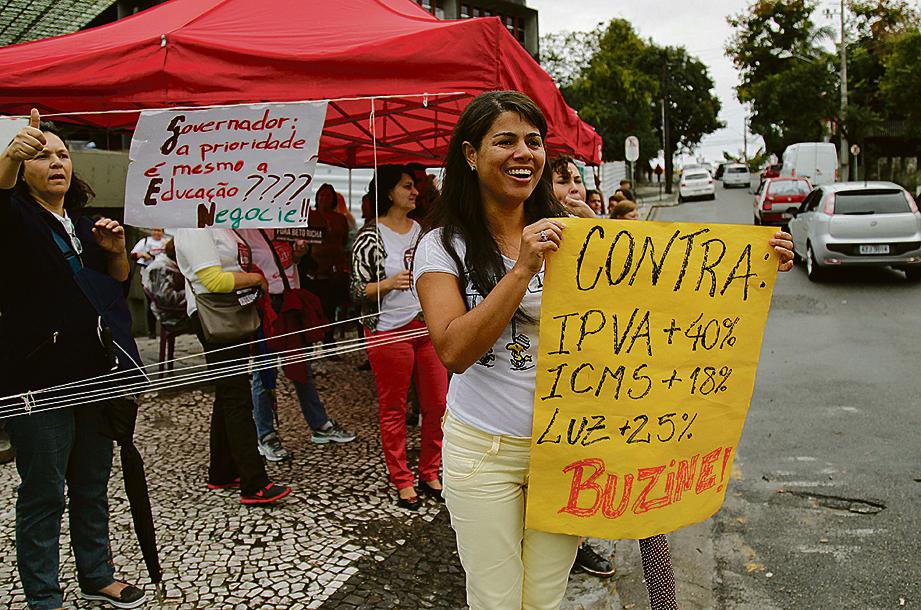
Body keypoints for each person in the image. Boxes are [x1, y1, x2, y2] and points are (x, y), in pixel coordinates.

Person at [413, 90, 796, 610]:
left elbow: (656, 297)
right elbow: (453, 350)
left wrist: (751, 263)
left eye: (533, 141)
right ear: (470, 155)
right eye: (505, 141)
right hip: (486, 451)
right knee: (495, 598)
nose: (523, 153)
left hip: (570, 448)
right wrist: (523, 267)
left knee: (545, 595)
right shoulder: (442, 245)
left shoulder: (579, 234)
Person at [0, 110, 146, 609]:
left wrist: (117, 251)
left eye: (63, 154)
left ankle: (97, 574)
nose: (56, 161)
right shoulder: (17, 221)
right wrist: (6, 161)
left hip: (95, 378)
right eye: (42, 155)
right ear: (23, 169)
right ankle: (44, 597)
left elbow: (115, 290)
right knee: (43, 494)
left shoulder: (85, 226)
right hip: (35, 382)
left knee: (91, 484)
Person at [351, 165, 448, 510]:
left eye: (414, 187)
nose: (415, 192)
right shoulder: (370, 236)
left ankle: (430, 470)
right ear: (389, 192)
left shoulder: (420, 230)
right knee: (393, 408)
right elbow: (355, 290)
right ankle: (401, 478)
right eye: (407, 187)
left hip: (425, 327)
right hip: (387, 331)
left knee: (437, 404)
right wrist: (389, 284)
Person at [174, 227, 291, 505]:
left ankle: (223, 470)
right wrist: (255, 279)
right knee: (237, 398)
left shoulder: (222, 224)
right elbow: (213, 280)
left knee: (229, 393)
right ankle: (254, 482)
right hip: (215, 314)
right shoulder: (194, 227)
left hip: (231, 312)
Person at [236, 228, 356, 462]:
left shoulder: (286, 226)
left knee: (301, 367)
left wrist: (299, 253)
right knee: (264, 372)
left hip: (290, 300)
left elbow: (289, 263)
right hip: (266, 304)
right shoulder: (245, 230)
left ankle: (319, 423)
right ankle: (266, 434)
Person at [301, 183, 350, 351]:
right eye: (321, 195)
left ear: (333, 199)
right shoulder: (309, 216)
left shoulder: (340, 219)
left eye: (328, 195)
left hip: (333, 268)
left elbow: (343, 241)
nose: (324, 198)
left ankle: (329, 341)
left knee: (330, 306)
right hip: (313, 268)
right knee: (312, 307)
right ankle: (308, 343)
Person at [141, 238, 190, 331]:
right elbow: (167, 298)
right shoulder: (160, 268)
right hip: (172, 315)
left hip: (178, 310)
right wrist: (192, 293)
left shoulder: (169, 265)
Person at [131, 227, 169, 338]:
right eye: (155, 230)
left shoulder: (165, 243)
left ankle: (166, 330)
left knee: (164, 303)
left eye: (159, 231)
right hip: (148, 276)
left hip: (163, 276)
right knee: (151, 303)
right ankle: (152, 331)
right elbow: (133, 254)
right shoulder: (145, 242)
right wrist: (143, 255)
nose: (157, 233)